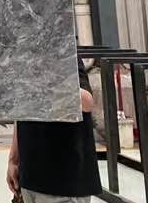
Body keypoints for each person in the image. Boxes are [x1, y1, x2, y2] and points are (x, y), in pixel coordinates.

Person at [6, 58, 102, 203]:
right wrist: (13, 160)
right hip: (30, 178)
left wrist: (50, 81)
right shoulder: (25, 59)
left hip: (62, 183)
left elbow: (87, 102)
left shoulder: (67, 58)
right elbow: (21, 112)